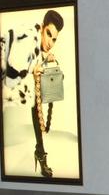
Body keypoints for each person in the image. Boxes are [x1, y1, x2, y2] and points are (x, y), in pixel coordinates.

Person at [1, 10, 64, 179]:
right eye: (48, 34)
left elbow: (30, 63)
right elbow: (12, 76)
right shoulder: (28, 37)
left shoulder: (36, 41)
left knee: (35, 101)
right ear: (42, 28)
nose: (50, 42)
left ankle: (40, 152)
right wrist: (32, 69)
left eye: (54, 39)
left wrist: (44, 60)